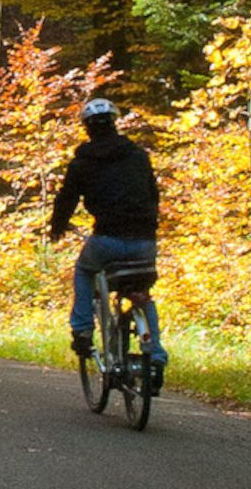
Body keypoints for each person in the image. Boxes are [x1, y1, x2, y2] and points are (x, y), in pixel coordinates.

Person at [49, 98, 168, 393]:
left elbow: (66, 200)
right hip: (144, 242)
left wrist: (57, 229)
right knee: (142, 295)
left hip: (106, 239)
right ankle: (156, 356)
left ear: (87, 128)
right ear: (115, 123)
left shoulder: (83, 162)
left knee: (85, 269)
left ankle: (82, 330)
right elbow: (153, 194)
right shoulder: (138, 156)